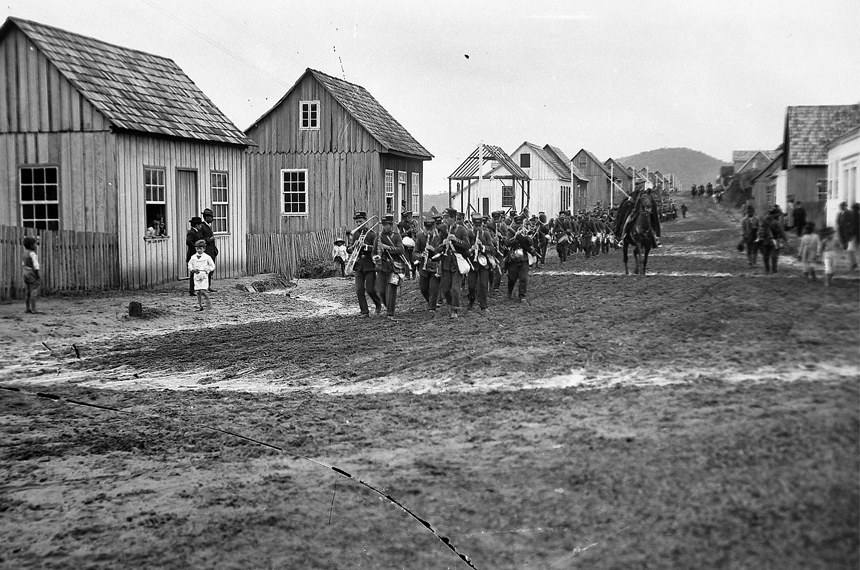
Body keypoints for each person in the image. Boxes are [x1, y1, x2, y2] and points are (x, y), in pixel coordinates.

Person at [347, 211, 382, 317]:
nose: (358, 224)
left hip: (369, 265)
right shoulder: (355, 234)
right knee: (359, 290)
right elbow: (349, 249)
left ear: (365, 222)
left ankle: (378, 304)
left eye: (360, 222)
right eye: (357, 222)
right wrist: (353, 247)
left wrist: (365, 246)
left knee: (370, 289)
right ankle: (364, 311)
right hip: (358, 266)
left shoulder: (372, 234)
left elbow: (376, 249)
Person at [437, 207, 471, 318]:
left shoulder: (461, 230)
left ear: (453, 218)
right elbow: (437, 247)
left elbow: (466, 246)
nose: (444, 220)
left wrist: (456, 240)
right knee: (446, 289)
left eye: (446, 217)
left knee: (455, 289)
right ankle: (450, 304)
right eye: (444, 217)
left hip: (457, 262)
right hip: (446, 262)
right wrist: (443, 243)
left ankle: (455, 309)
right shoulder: (442, 230)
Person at [373, 214, 406, 319]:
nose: (385, 227)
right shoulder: (378, 237)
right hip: (382, 266)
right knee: (381, 291)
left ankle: (390, 313)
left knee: (391, 290)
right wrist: (375, 257)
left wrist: (387, 247)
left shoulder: (396, 236)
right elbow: (374, 252)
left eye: (387, 224)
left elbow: (401, 250)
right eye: (383, 225)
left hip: (394, 267)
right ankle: (388, 307)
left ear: (391, 225)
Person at [466, 213, 496, 311]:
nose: (477, 228)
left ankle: (483, 305)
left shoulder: (486, 234)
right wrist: (471, 248)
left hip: (484, 263)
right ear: (473, 225)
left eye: (479, 226)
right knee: (471, 285)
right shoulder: (469, 233)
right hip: (472, 263)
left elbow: (492, 248)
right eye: (476, 226)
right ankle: (471, 301)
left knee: (483, 285)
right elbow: (465, 249)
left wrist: (482, 246)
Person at [504, 214, 536, 302]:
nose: (519, 226)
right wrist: (515, 237)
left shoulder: (525, 231)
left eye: (520, 224)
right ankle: (509, 292)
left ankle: (522, 296)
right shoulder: (510, 232)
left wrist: (524, 236)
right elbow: (506, 243)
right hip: (513, 258)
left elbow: (530, 242)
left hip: (523, 258)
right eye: (517, 224)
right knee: (512, 278)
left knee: (524, 278)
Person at [414, 217, 440, 310]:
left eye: (431, 229)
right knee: (423, 288)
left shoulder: (439, 237)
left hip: (435, 265)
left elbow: (441, 251)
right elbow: (415, 252)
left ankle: (432, 307)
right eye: (427, 229)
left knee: (433, 288)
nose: (429, 232)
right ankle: (431, 302)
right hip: (423, 266)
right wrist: (420, 256)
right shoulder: (420, 236)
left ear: (434, 227)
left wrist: (433, 249)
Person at [757, 207, 787, 274]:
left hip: (775, 241)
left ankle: (774, 271)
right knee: (765, 257)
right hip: (766, 241)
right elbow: (761, 230)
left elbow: (781, 232)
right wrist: (759, 237)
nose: (769, 215)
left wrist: (785, 239)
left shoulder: (777, 222)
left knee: (774, 257)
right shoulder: (764, 221)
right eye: (769, 214)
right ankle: (767, 270)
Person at [188, 239, 214, 310]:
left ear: (204, 249)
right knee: (198, 292)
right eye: (197, 248)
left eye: (200, 248)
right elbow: (190, 265)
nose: (199, 250)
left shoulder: (207, 257)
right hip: (196, 275)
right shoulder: (193, 257)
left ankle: (208, 301)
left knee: (203, 290)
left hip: (203, 275)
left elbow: (212, 266)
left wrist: (207, 270)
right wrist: (192, 269)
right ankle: (200, 305)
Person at [200, 208, 219, 291]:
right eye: (211, 217)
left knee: (210, 269)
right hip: (207, 251)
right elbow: (200, 239)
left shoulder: (208, 226)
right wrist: (209, 239)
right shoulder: (202, 227)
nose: (212, 219)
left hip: (211, 251)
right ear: (206, 217)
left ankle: (208, 286)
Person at [22, 236, 41, 314]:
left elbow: (23, 263)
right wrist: (37, 275)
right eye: (34, 244)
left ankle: (27, 308)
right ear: (31, 245)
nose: (35, 245)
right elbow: (36, 265)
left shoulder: (24, 252)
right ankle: (33, 309)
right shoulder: (32, 254)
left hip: (25, 272)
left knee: (27, 291)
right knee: (34, 290)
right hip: (31, 273)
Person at [186, 216, 203, 297]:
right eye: (200, 225)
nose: (200, 227)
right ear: (196, 225)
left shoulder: (196, 232)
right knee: (194, 273)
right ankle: (192, 290)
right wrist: (196, 247)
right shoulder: (192, 232)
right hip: (193, 255)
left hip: (196, 255)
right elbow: (188, 241)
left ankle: (196, 288)